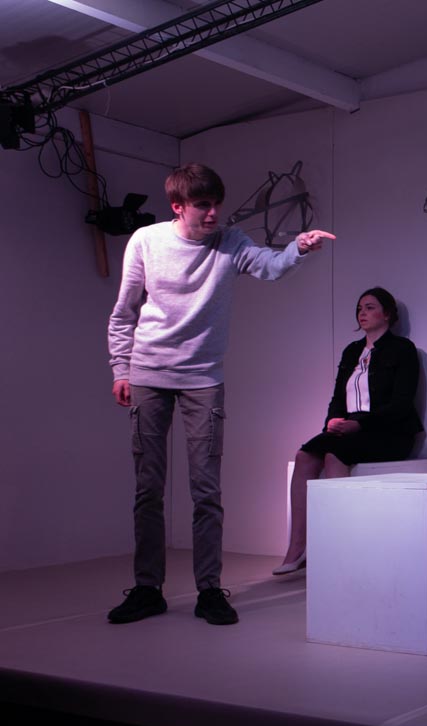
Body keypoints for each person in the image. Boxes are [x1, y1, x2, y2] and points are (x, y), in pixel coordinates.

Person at [107, 163, 334, 626]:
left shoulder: (230, 242)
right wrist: (120, 368)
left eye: (216, 204)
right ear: (178, 207)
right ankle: (147, 588)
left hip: (203, 380)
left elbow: (270, 267)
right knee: (148, 488)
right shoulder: (147, 241)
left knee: (206, 490)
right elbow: (124, 312)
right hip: (148, 375)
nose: (213, 213)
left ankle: (209, 590)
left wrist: (298, 248)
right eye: (203, 205)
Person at [274, 287, 423, 575]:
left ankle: (336, 547)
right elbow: (337, 398)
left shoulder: (402, 349)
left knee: (335, 455)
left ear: (387, 314)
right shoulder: (352, 351)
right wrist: (332, 422)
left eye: (370, 307)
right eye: (359, 309)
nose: (362, 313)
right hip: (352, 427)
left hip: (390, 430)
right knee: (304, 455)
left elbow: (402, 403)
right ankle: (298, 546)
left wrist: (361, 423)